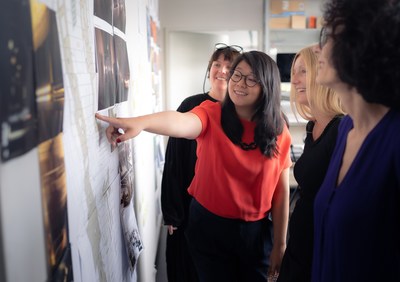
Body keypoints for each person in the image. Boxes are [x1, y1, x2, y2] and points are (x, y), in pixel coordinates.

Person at [95, 50, 292, 282]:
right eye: (237, 75)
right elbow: (179, 122)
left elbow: (281, 192)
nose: (240, 84)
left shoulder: (278, 129)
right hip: (209, 226)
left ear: (267, 86)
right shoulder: (211, 113)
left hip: (255, 232)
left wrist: (280, 244)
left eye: (251, 79)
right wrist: (140, 123)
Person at [311, 0, 400, 281]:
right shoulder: (347, 128)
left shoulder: (394, 138)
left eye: (330, 38)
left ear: (362, 46)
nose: (318, 49)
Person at [161, 43, 241, 282]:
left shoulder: (244, 113)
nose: (222, 70)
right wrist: (172, 212)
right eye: (217, 64)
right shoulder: (191, 106)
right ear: (209, 70)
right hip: (188, 208)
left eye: (229, 66)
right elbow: (173, 161)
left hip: (229, 217)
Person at [277, 46, 345, 282]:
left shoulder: (341, 130)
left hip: (321, 252)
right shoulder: (313, 126)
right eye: (294, 72)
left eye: (303, 71)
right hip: (302, 244)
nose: (294, 80)